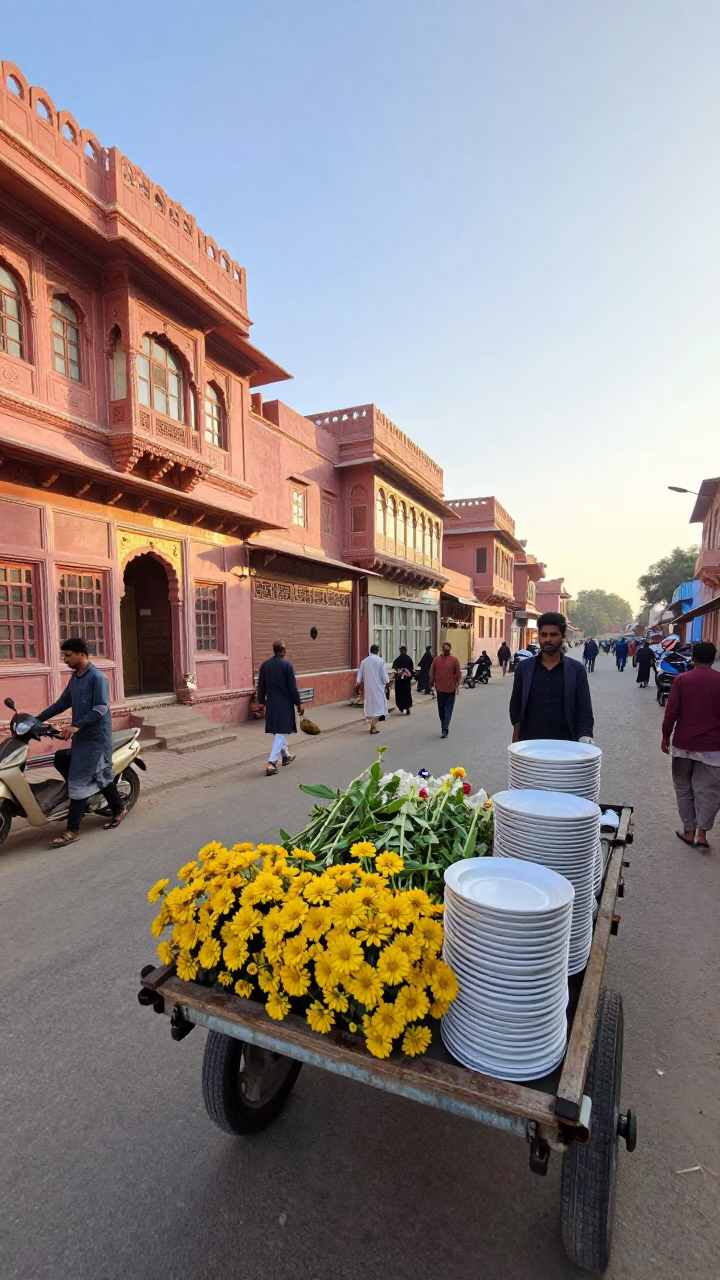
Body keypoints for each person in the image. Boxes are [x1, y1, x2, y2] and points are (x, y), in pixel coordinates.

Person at [38, 637, 127, 847]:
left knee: (79, 780)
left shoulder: (97, 678)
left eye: (68, 656)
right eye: (64, 656)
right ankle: (119, 808)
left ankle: (72, 830)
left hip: (96, 738)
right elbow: (62, 703)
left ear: (82, 655)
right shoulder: (75, 677)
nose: (65, 659)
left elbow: (101, 708)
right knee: (95, 774)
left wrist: (76, 726)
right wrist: (36, 719)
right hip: (82, 739)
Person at [662, 641, 720, 849]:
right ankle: (702, 834)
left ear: (692, 658)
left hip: (684, 744)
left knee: (684, 788)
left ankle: (689, 831)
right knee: (709, 791)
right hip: (714, 748)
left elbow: (671, 714)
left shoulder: (681, 680)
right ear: (714, 658)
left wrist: (665, 737)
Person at [509, 612, 594, 743]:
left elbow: (584, 710)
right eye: (544, 634)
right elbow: (516, 706)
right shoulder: (524, 668)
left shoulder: (576, 670)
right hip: (530, 743)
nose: (548, 639)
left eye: (553, 635)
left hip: (566, 743)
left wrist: (585, 735)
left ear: (563, 637)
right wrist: (517, 736)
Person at [257, 641, 302, 775]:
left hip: (271, 703)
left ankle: (286, 755)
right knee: (282, 731)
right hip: (284, 704)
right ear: (283, 650)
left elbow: (261, 686)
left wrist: (261, 702)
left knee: (279, 730)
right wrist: (298, 703)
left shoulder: (265, 666)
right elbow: (292, 687)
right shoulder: (287, 665)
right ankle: (272, 762)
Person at [429, 641, 461, 738]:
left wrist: (456, 685)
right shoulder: (437, 660)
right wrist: (432, 682)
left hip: (448, 689)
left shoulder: (452, 660)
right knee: (445, 709)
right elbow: (432, 672)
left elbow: (457, 675)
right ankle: (445, 727)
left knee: (444, 709)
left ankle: (444, 727)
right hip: (443, 688)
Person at [356, 644, 388, 733]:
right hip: (378, 688)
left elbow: (359, 677)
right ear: (377, 651)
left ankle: (372, 726)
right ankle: (373, 727)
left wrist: (358, 686)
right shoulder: (380, 661)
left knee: (370, 707)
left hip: (368, 688)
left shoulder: (364, 661)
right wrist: (386, 683)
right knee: (377, 707)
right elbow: (384, 677)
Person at [392, 645, 414, 714]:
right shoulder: (408, 659)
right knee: (405, 693)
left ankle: (403, 707)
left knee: (401, 694)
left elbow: (395, 669)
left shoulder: (399, 660)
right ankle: (405, 707)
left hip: (401, 681)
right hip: (405, 680)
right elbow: (411, 669)